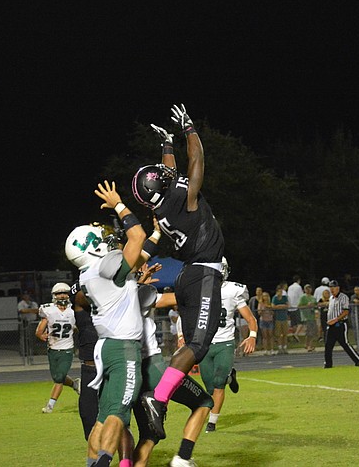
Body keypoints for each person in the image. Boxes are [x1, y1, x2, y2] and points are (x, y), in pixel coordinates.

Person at [131, 104, 226, 445]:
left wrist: (167, 145)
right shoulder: (183, 201)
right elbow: (197, 161)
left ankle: (161, 398)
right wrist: (189, 130)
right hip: (202, 273)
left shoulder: (159, 210)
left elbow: (168, 174)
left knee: (190, 348)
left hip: (190, 274)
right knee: (197, 346)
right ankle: (158, 400)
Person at [64, 180, 149, 467]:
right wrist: (119, 205)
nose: (107, 241)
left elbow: (133, 261)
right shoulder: (105, 266)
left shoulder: (87, 276)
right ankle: (103, 462)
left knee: (102, 417)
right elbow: (137, 237)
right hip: (124, 348)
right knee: (119, 411)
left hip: (107, 347)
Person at [134, 262, 215, 467]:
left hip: (130, 369)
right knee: (204, 402)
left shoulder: (110, 296)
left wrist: (139, 279)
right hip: (152, 366)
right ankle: (183, 458)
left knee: (148, 435)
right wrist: (207, 285)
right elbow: (178, 298)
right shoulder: (140, 292)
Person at [196, 262, 257, 434]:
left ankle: (212, 422)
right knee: (209, 387)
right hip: (205, 343)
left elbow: (251, 318)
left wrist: (252, 336)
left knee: (218, 384)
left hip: (225, 343)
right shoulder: (201, 288)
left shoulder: (233, 290)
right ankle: (231, 377)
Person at [36, 282, 80, 414]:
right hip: (52, 349)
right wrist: (40, 335)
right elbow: (40, 329)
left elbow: (79, 327)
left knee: (59, 378)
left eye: (65, 293)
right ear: (54, 295)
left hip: (67, 349)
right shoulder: (48, 310)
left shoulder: (74, 311)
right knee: (57, 377)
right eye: (59, 293)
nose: (62, 295)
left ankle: (50, 406)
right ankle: (74, 384)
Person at [71, 280, 100, 441]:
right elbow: (82, 298)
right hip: (91, 369)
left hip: (113, 365)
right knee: (89, 418)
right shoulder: (80, 290)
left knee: (120, 420)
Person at [323, 281, 359, 368]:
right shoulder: (331, 298)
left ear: (338, 288)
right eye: (330, 287)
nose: (332, 289)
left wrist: (336, 319)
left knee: (345, 344)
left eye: (333, 287)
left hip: (340, 324)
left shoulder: (343, 297)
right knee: (328, 345)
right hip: (331, 325)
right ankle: (328, 364)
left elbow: (345, 312)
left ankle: (358, 359)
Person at [17, 292, 40, 357]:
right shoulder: (21, 303)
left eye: (27, 295)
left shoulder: (33, 303)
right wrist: (30, 310)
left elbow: (37, 311)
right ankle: (24, 352)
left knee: (33, 338)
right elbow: (22, 311)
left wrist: (28, 310)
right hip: (25, 322)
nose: (26, 296)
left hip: (32, 322)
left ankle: (32, 351)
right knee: (24, 338)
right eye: (25, 295)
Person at [271, 283, 290, 355]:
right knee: (278, 334)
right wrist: (280, 306)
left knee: (285, 333)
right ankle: (279, 347)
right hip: (277, 318)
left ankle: (285, 347)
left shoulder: (285, 297)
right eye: (279, 291)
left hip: (284, 318)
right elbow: (273, 306)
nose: (280, 293)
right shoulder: (275, 298)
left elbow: (287, 305)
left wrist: (280, 306)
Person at [299, 284, 317, 352]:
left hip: (312, 316)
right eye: (307, 288)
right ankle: (309, 345)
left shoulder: (313, 298)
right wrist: (307, 305)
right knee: (309, 332)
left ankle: (309, 344)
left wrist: (314, 306)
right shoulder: (303, 297)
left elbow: (316, 306)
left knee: (313, 332)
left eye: (309, 288)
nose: (308, 290)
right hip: (306, 317)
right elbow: (299, 306)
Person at [287, 274, 304, 343]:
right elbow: (301, 296)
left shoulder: (290, 287)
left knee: (293, 323)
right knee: (300, 322)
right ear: (298, 280)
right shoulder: (298, 287)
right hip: (297, 306)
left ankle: (294, 336)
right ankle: (296, 334)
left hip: (290, 307)